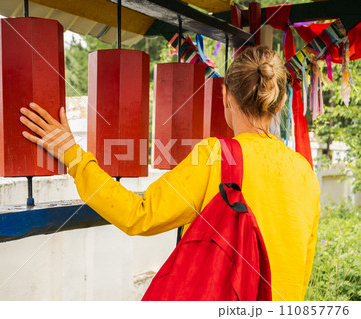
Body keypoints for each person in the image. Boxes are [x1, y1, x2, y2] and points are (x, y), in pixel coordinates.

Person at [19, 46, 321, 301]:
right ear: (280, 101)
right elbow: (303, 263)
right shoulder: (305, 171)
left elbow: (139, 214)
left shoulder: (218, 155)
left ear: (226, 95)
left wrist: (72, 154)